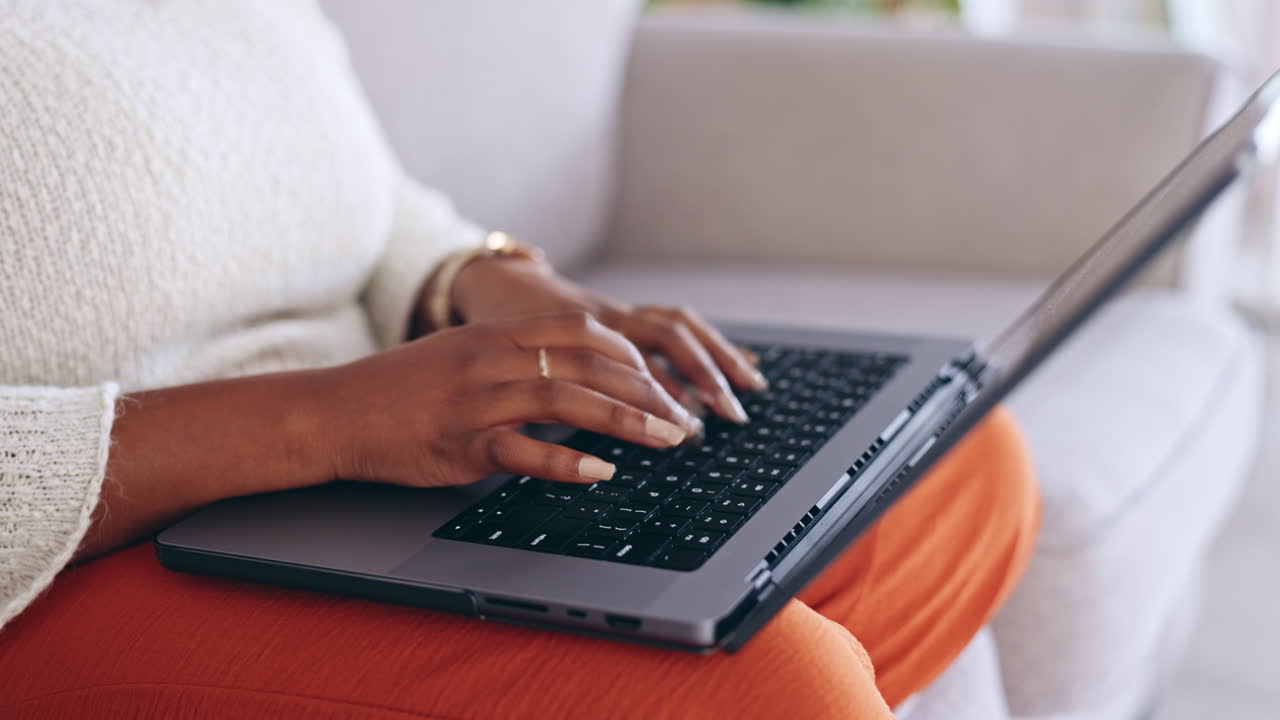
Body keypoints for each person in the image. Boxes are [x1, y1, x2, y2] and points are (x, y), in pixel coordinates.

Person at [0, 2, 1039, 717]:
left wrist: (482, 280)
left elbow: (341, 189)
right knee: (774, 693)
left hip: (364, 461)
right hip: (80, 564)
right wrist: (325, 421)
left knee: (950, 467)